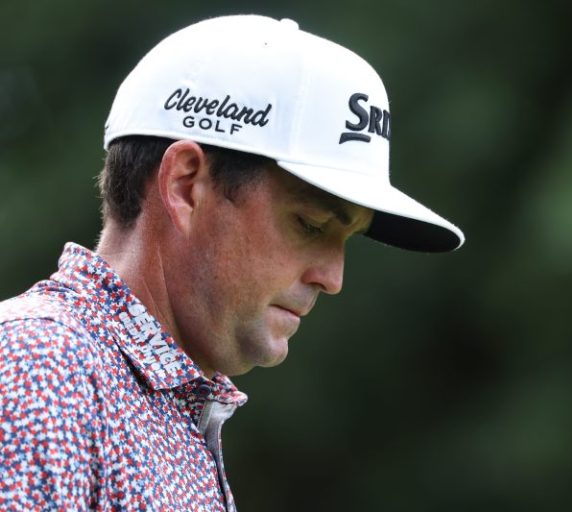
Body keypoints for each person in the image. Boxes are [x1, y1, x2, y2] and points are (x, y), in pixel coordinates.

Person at [0, 14, 464, 511]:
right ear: (185, 186)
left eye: (347, 238)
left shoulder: (155, 402)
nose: (333, 278)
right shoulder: (40, 368)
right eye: (310, 224)